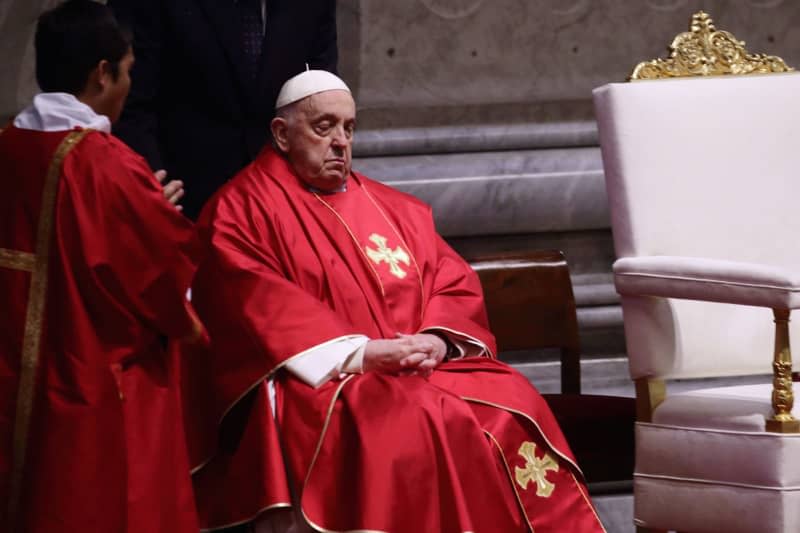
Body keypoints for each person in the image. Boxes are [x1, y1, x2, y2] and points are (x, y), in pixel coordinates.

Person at [186, 70, 605, 532]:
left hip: (416, 366)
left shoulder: (395, 209)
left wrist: (437, 341)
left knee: (510, 396)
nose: (340, 142)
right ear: (282, 135)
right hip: (323, 378)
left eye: (348, 128)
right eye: (323, 127)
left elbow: (449, 281)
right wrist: (362, 354)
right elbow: (250, 300)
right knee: (416, 418)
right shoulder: (241, 209)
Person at [0, 1, 203, 531]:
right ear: (101, 73)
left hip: (13, 379)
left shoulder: (7, 147)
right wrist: (151, 216)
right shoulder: (109, 166)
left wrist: (137, 211)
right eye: (128, 72)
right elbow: (158, 282)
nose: (128, 88)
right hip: (88, 382)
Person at [107, 0, 339, 219]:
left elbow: (322, 98)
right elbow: (130, 103)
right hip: (181, 208)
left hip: (285, 207)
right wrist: (154, 185)